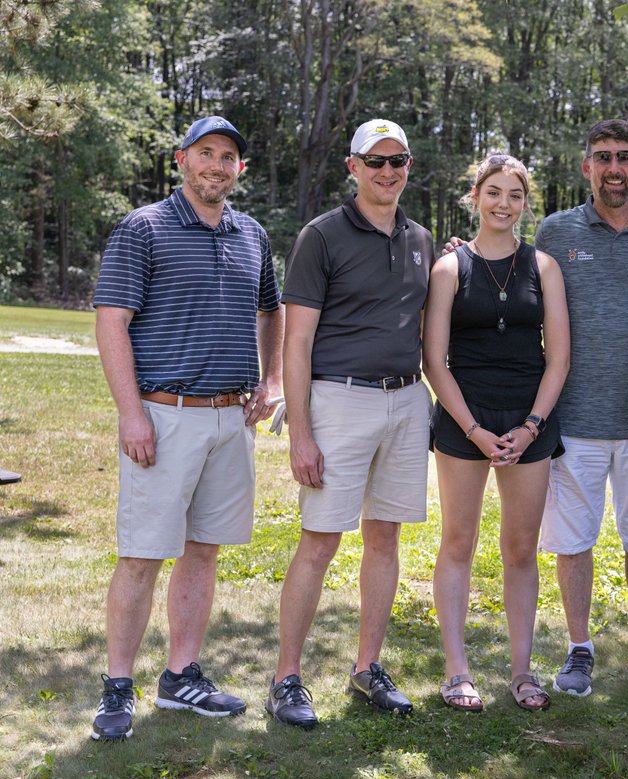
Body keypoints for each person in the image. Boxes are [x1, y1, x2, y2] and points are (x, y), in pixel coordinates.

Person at [91, 116, 283, 741]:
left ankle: (181, 677)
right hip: (164, 415)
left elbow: (271, 310)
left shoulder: (250, 233)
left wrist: (272, 380)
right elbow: (112, 321)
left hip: (233, 419)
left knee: (204, 550)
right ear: (182, 160)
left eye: (228, 157)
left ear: (240, 170)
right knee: (143, 553)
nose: (217, 165)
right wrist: (131, 413)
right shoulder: (143, 228)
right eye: (207, 153)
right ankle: (118, 685)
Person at [267, 119, 434, 728]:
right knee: (320, 541)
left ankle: (368, 667)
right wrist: (302, 432)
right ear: (352, 166)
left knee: (384, 538)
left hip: (406, 401)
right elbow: (297, 343)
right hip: (339, 401)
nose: (388, 171)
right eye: (376, 161)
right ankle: (287, 677)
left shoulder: (420, 238)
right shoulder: (322, 236)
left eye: (398, 161)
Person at [534, 120, 628, 701]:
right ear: (586, 168)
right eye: (603, 157)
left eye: (625, 156)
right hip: (571, 419)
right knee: (573, 540)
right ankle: (580, 648)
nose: (614, 168)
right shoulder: (555, 232)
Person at [425, 154, 569, 711]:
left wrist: (531, 427)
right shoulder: (449, 269)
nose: (503, 203)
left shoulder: (544, 268)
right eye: (493, 192)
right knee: (458, 542)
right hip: (465, 417)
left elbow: (558, 358)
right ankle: (457, 671)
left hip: (529, 418)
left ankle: (521, 672)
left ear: (525, 203)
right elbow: (433, 361)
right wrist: (475, 429)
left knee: (520, 550)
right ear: (475, 196)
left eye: (514, 194)